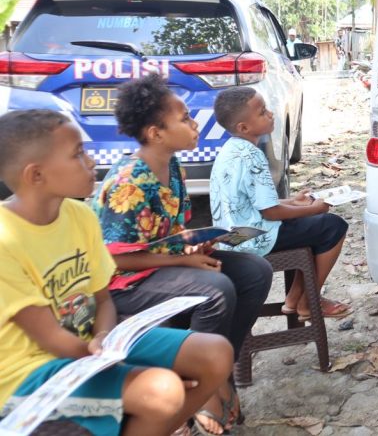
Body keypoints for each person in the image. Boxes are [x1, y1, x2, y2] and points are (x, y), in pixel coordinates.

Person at [0, 109, 232, 436]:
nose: (92, 161)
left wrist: (104, 337)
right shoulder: (6, 239)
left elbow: (103, 300)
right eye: (78, 154)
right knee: (161, 389)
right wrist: (114, 361)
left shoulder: (80, 216)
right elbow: (49, 337)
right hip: (31, 373)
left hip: (91, 347)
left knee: (215, 353)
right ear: (36, 175)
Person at [91, 74, 273, 435]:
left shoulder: (172, 167)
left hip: (160, 266)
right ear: (156, 133)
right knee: (215, 288)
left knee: (255, 270)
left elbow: (166, 234)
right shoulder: (129, 181)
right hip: (126, 283)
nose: (194, 124)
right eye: (185, 119)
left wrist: (197, 244)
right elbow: (114, 260)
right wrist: (182, 259)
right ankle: (202, 388)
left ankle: (219, 372)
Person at [209, 86, 350, 321]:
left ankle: (294, 299)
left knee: (310, 225)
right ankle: (309, 301)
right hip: (252, 238)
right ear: (243, 127)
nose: (270, 114)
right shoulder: (252, 156)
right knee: (333, 226)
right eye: (262, 112)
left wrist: (294, 202)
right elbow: (271, 212)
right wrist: (312, 208)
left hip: (233, 237)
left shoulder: (230, 151)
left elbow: (253, 202)